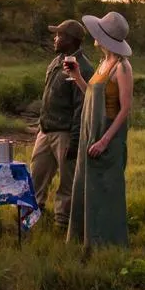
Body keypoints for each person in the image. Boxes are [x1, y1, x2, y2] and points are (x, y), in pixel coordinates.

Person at [63, 10, 134, 250]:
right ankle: (88, 242)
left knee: (106, 191)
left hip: (107, 137)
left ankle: (108, 246)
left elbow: (125, 109)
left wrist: (104, 141)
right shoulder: (104, 63)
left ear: (104, 38)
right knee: (87, 187)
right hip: (89, 134)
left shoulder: (122, 67)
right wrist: (77, 77)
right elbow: (92, 96)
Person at [31, 19, 93, 231]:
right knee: (36, 177)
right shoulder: (56, 62)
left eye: (59, 35)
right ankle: (31, 219)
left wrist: (75, 142)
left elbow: (81, 108)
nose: (55, 39)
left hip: (66, 133)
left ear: (71, 40)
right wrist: (41, 126)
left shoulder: (82, 67)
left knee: (67, 184)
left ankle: (62, 227)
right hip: (46, 130)